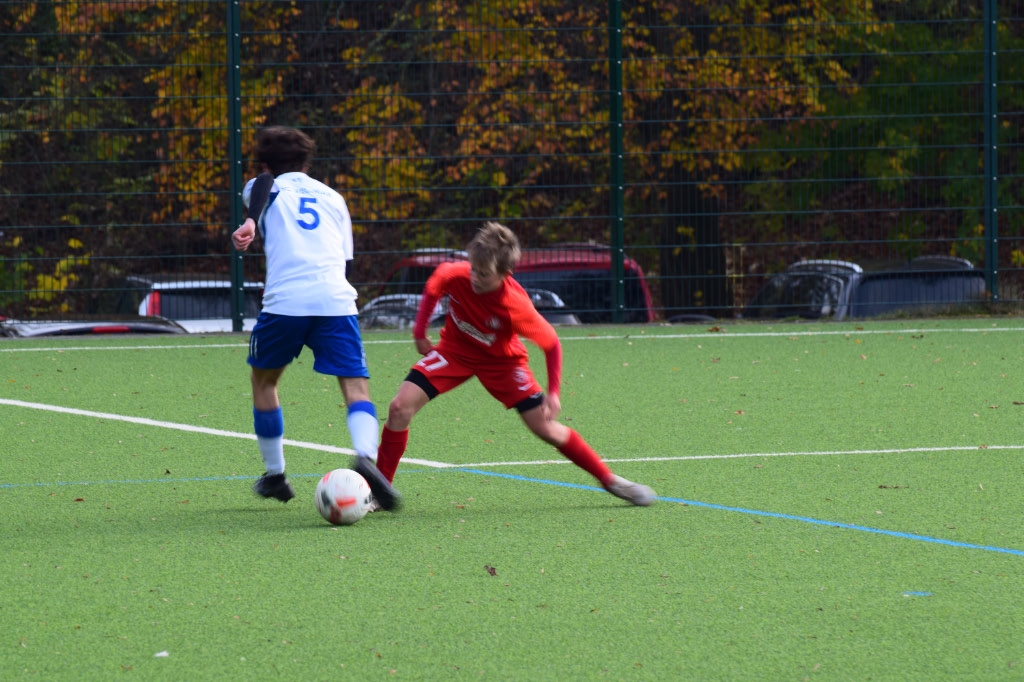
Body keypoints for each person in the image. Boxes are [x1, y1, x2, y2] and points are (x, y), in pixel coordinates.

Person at [373, 221, 656, 507]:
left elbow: (551, 343)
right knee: (399, 408)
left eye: (484, 274)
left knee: (545, 428)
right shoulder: (455, 273)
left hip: (503, 364)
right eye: (473, 269)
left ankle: (610, 480)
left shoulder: (514, 305)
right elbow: (435, 285)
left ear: (505, 274)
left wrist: (554, 392)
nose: (474, 277)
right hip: (454, 352)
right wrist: (419, 332)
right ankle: (380, 490)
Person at [231, 125, 399, 510]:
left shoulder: (262, 187)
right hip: (335, 300)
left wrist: (251, 221)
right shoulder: (334, 198)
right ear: (306, 162)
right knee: (356, 388)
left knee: (264, 382)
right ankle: (365, 457)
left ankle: (275, 474)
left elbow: (263, 186)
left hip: (285, 302)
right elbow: (346, 261)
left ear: (264, 164)